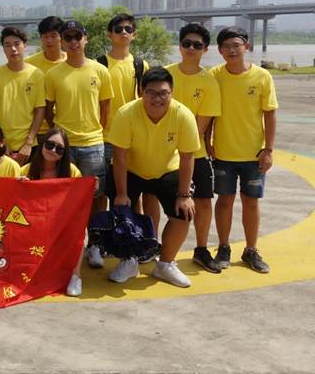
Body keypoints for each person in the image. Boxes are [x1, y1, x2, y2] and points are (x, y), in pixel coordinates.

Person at [106, 68, 200, 288]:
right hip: (132, 170)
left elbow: (187, 158)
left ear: (172, 92)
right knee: (122, 212)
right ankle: (129, 261)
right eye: (151, 93)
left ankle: (165, 264)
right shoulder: (126, 114)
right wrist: (121, 194)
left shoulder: (183, 115)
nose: (157, 99)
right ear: (141, 92)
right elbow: (119, 157)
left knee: (184, 213)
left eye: (163, 93)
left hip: (166, 170)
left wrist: (184, 195)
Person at [44, 20, 113, 269]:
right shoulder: (53, 74)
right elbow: (48, 110)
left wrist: (96, 131)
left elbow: (106, 107)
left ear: (86, 39)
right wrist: (60, 134)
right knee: (63, 198)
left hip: (93, 143)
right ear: (62, 42)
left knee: (96, 197)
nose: (73, 42)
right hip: (64, 147)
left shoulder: (100, 71)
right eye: (68, 38)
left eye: (77, 37)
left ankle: (95, 245)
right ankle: (64, 246)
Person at [210, 26, 277, 273]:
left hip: (254, 155)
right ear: (220, 50)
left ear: (246, 46)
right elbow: (208, 112)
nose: (232, 50)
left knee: (251, 202)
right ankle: (223, 248)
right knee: (224, 201)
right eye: (226, 46)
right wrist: (207, 141)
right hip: (223, 153)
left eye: (236, 45)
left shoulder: (262, 76)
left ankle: (251, 250)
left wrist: (268, 150)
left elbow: (270, 114)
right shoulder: (214, 75)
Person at [165, 23, 222, 273]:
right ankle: (152, 246)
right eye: (186, 43)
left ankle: (201, 249)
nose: (191, 48)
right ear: (179, 46)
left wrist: (184, 147)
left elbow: (202, 124)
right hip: (163, 152)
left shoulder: (209, 81)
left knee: (203, 201)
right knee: (152, 197)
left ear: (205, 49)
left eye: (197, 45)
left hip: (195, 152)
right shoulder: (166, 74)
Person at [99, 13, 149, 213]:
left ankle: (134, 230)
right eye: (118, 29)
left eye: (128, 29)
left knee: (133, 192)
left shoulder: (140, 65)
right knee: (101, 193)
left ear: (134, 35)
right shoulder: (99, 64)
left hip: (133, 137)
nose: (123, 33)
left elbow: (145, 99)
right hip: (105, 137)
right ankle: (100, 230)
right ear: (110, 34)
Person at [25, 128, 84, 296]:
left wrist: (90, 188)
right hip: (34, 222)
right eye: (50, 145)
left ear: (64, 154)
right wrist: (19, 185)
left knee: (80, 229)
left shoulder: (72, 171)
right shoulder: (26, 170)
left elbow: (80, 201)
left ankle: (76, 276)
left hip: (60, 222)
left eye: (59, 149)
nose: (53, 151)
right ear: (42, 144)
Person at [0, 27, 45, 166]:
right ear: (3, 49)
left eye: (17, 44)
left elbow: (40, 110)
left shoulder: (36, 74)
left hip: (29, 145)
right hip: (1, 144)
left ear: (25, 45)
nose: (13, 49)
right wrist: (0, 141)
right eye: (8, 45)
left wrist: (28, 143)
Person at [25, 16, 68, 141]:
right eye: (45, 37)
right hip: (35, 130)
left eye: (53, 36)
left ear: (62, 37)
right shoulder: (28, 64)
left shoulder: (71, 62)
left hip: (64, 129)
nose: (49, 41)